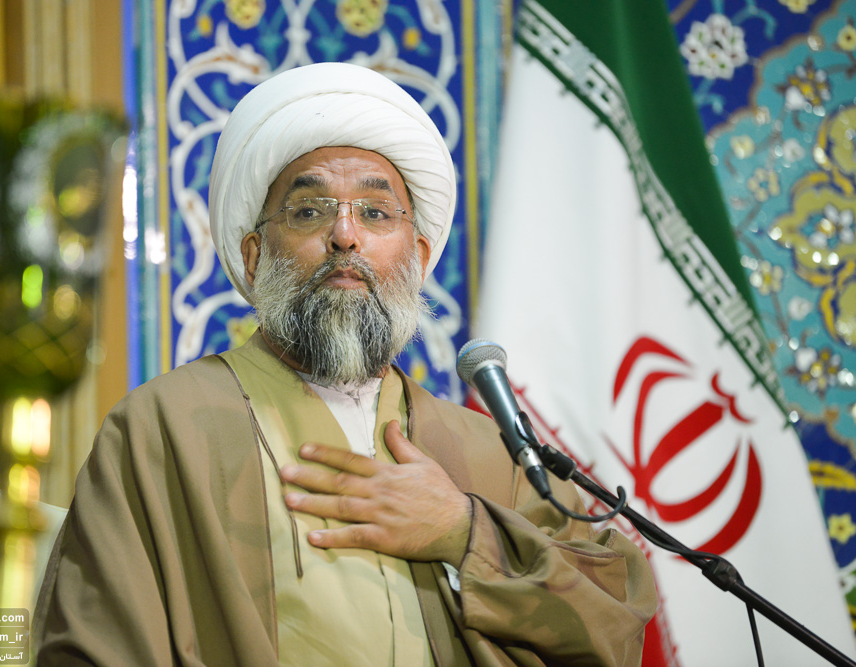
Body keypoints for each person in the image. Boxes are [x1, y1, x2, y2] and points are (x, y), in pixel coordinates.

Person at [34, 62, 656, 666]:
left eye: (375, 213)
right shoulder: (163, 428)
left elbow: (614, 628)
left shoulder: (496, 455)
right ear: (254, 257)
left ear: (418, 256)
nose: (345, 235)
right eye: (309, 211)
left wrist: (465, 532)